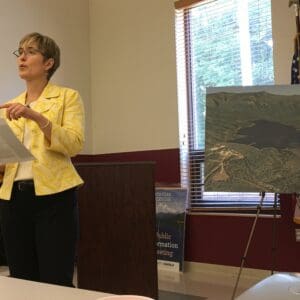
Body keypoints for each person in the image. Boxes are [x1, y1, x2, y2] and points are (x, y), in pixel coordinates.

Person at [0, 32, 85, 287]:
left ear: (48, 63)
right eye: (20, 52)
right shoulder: (10, 105)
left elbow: (74, 144)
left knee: (55, 278)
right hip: (12, 199)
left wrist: (35, 116)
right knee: (21, 278)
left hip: (54, 198)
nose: (22, 57)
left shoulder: (67, 97)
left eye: (31, 51)